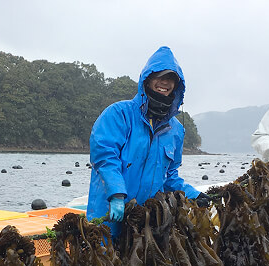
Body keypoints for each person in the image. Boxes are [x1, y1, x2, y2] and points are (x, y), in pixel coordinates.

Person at [86, 46, 207, 237]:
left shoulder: (176, 130)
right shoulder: (118, 114)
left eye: (171, 78)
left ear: (177, 85)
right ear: (147, 79)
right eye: (159, 76)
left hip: (145, 223)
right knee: (103, 262)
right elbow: (105, 157)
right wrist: (116, 194)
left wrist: (194, 195)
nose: (164, 82)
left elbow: (170, 176)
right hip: (109, 214)